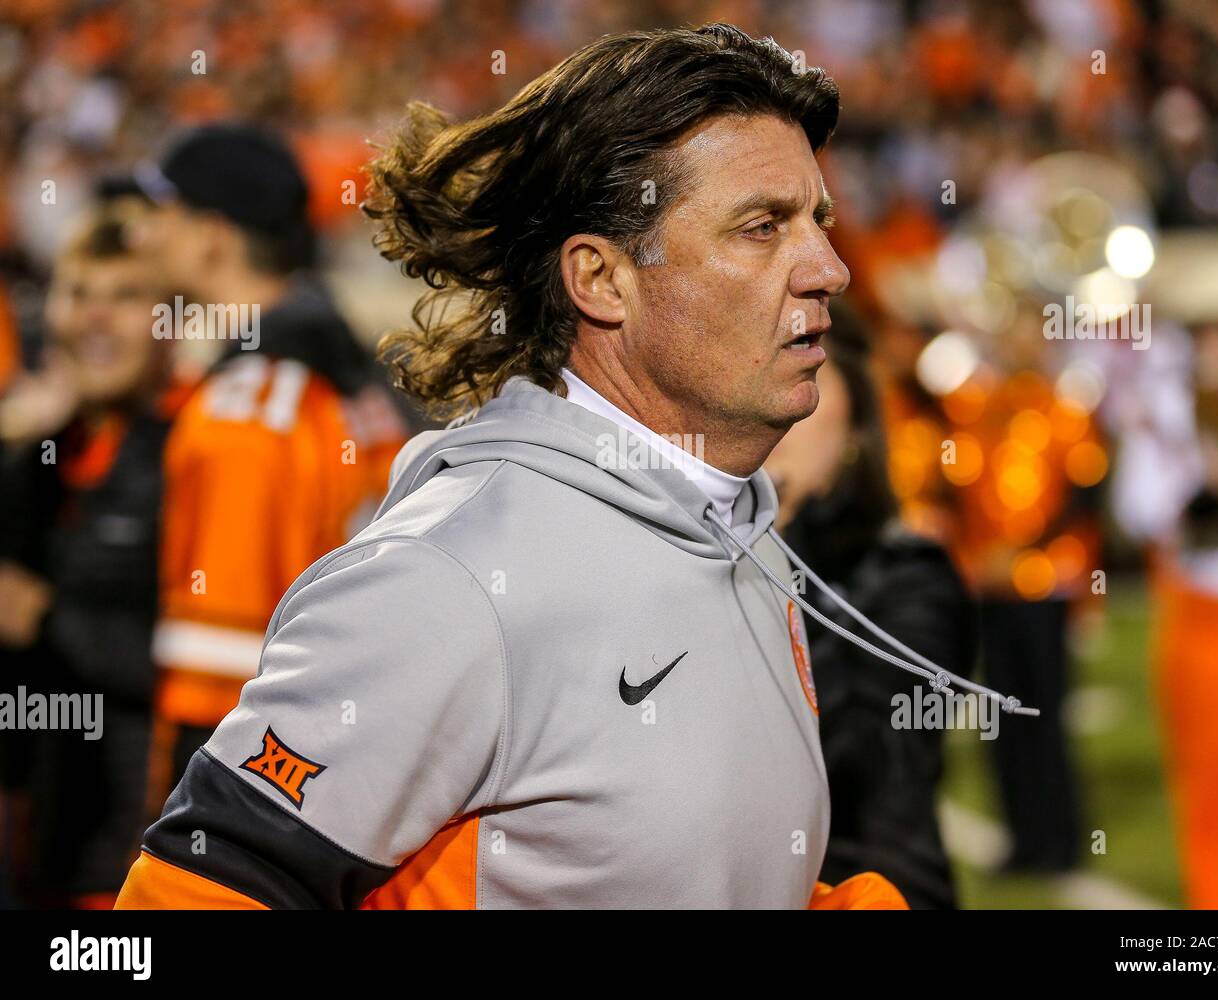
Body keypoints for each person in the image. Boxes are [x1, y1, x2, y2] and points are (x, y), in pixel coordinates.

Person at [118, 24, 1028, 910]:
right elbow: (192, 894)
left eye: (817, 222)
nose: (828, 268)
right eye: (762, 227)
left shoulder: (732, 526)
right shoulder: (454, 576)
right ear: (601, 281)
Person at [126, 124, 409, 810]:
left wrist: (186, 850)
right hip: (356, 748)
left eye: (165, 213)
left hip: (267, 785)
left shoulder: (246, 408)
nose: (147, 235)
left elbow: (218, 676)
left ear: (212, 236)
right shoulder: (348, 379)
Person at [0, 200, 182, 906]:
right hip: (42, 853)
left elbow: (216, 667)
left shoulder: (195, 454)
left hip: (145, 862)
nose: (96, 319)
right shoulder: (31, 470)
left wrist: (45, 616)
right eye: (79, 293)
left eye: (126, 297)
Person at [765, 304, 971, 908]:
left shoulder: (909, 573)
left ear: (856, 430)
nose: (779, 413)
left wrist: (767, 544)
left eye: (804, 384)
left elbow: (866, 752)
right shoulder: (699, 557)